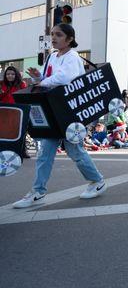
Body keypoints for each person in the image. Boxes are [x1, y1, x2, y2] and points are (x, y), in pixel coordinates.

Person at [13, 23, 107, 208]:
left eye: (59, 35)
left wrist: (42, 82)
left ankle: (97, 181)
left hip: (69, 111)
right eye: (52, 34)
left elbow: (65, 78)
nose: (54, 38)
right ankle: (38, 191)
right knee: (44, 153)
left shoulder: (72, 57)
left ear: (70, 39)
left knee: (75, 151)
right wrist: (38, 78)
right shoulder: (52, 56)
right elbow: (50, 80)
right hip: (54, 110)